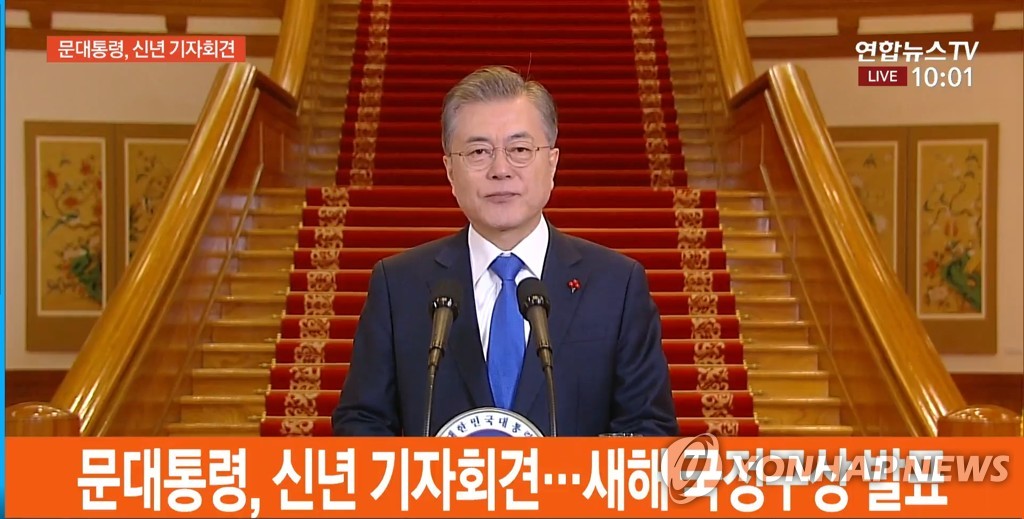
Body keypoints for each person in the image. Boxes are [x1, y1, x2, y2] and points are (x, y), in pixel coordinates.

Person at [331, 65, 678, 437]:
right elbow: (361, 423)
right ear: (450, 171)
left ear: (552, 163)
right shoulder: (399, 285)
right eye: (478, 151)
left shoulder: (616, 285)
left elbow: (649, 429)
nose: (500, 169)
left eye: (520, 150)